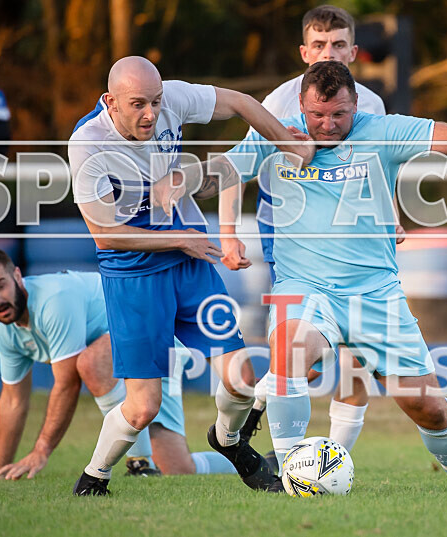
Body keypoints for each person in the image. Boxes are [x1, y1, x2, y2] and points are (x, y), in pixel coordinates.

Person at [219, 60, 447, 491]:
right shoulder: (277, 132)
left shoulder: (381, 130)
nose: (327, 125)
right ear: (301, 103)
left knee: (426, 405)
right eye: (317, 114)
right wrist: (209, 218)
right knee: (289, 356)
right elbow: (226, 170)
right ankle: (288, 479)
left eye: (339, 114)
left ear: (356, 104)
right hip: (305, 287)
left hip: (376, 293)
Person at [68, 56, 313, 495]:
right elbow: (106, 237)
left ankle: (229, 441)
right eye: (138, 104)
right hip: (134, 274)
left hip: (188, 263)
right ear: (111, 101)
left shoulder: (172, 99)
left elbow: (239, 101)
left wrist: (286, 143)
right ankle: (94, 476)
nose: (151, 114)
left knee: (241, 380)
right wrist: (181, 239)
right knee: (143, 406)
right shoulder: (87, 143)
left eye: (156, 103)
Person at [220, 5, 388, 456]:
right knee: (298, 352)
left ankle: (331, 460)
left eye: (336, 45)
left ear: (354, 51)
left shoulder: (371, 105)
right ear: (303, 50)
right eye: (318, 45)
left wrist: (389, 220)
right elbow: (235, 168)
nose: (326, 53)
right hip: (290, 237)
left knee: (356, 358)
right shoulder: (277, 104)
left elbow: (375, 173)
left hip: (355, 242)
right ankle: (269, 434)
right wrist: (229, 234)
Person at [0, 248, 238, 480]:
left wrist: (41, 450)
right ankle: (253, 460)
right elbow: (13, 401)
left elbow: (67, 384)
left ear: (17, 276)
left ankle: (139, 463)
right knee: (179, 469)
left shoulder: (53, 301)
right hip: (131, 358)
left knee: (92, 362)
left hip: (155, 340)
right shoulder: (6, 332)